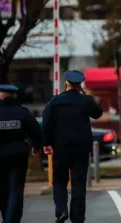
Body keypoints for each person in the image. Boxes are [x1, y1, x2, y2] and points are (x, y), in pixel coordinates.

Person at [42, 70, 103, 223]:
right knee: (79, 184)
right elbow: (98, 113)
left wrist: (46, 143)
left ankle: (61, 211)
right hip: (81, 149)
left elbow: (47, 123)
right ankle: (77, 218)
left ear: (66, 83)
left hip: (61, 148)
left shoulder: (54, 102)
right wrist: (86, 95)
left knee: (60, 181)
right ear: (80, 84)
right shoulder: (85, 101)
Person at [0, 84, 42, 223]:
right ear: (14, 96)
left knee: (2, 191)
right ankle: (12, 219)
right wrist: (37, 147)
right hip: (19, 155)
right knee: (16, 190)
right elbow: (36, 131)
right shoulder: (22, 112)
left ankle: (8, 218)